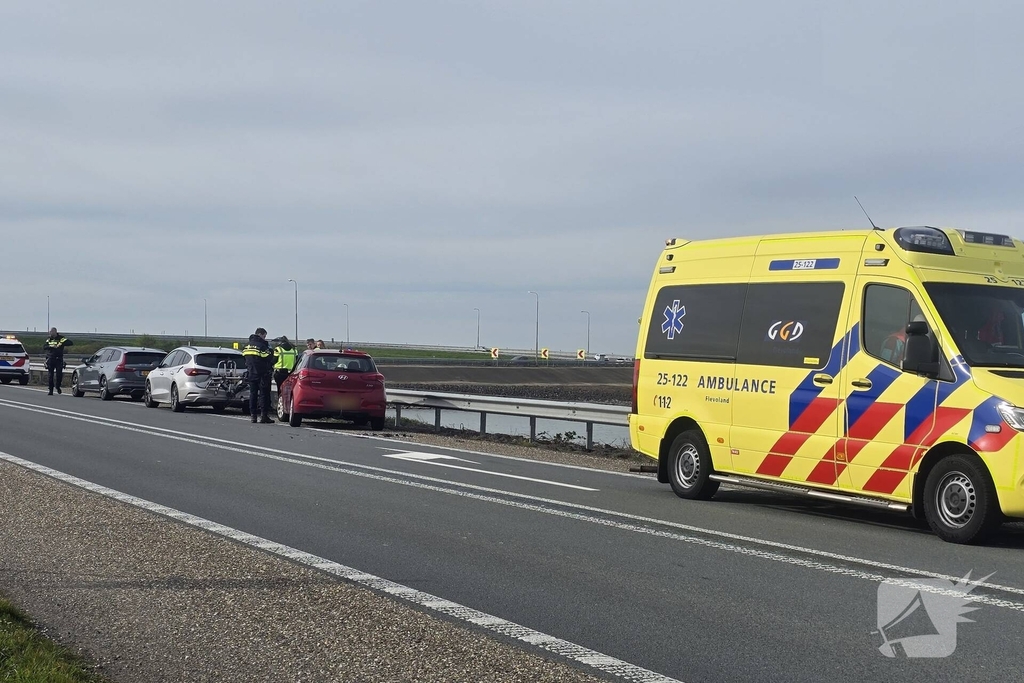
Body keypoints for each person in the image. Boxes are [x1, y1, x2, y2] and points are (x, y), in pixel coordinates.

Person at [242, 327, 274, 424]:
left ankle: (253, 416)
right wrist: (270, 350)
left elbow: (244, 358)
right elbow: (269, 357)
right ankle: (264, 416)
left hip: (251, 373)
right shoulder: (262, 345)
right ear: (260, 334)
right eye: (264, 336)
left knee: (253, 394)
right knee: (263, 395)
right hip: (262, 373)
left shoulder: (247, 346)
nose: (265, 338)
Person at [43, 328, 73, 395]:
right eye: (50, 332)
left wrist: (61, 343)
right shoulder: (49, 339)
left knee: (59, 375)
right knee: (50, 375)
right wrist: (51, 346)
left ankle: (58, 386)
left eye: (51, 332)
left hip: (59, 359)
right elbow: (44, 346)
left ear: (55, 332)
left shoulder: (61, 338)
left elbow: (70, 343)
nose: (50, 333)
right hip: (50, 358)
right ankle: (50, 390)